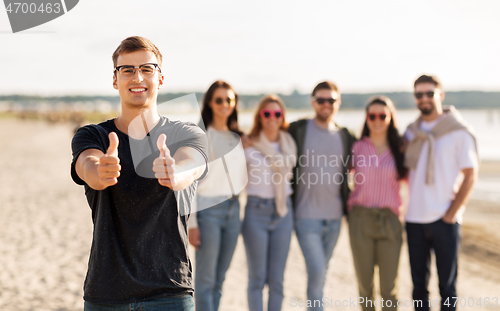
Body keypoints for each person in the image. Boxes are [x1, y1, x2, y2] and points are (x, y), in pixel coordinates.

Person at [70, 36, 208, 311]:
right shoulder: (93, 135)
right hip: (106, 294)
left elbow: (193, 166)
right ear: (115, 80)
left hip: (170, 292)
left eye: (147, 68)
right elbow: (87, 166)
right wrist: (100, 171)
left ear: (160, 78)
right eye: (128, 70)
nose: (138, 77)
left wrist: (175, 172)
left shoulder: (186, 134)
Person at [404, 75, 478, 311]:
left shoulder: (458, 131)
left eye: (429, 93)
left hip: (445, 219)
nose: (424, 99)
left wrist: (452, 213)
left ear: (440, 95)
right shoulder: (410, 132)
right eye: (419, 94)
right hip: (414, 219)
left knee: (447, 289)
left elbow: (470, 174)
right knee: (418, 288)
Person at [288, 81, 356, 310]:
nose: (326, 104)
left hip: (335, 218)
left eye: (331, 100)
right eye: (321, 100)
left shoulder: (346, 136)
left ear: (338, 103)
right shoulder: (298, 129)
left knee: (322, 274)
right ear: (313, 102)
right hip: (305, 216)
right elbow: (269, 136)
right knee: (317, 271)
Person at [188, 80, 246, 311]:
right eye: (219, 100)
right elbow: (188, 184)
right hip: (207, 210)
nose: (225, 104)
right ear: (210, 103)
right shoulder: (199, 136)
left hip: (234, 210)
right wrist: (192, 223)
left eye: (229, 100)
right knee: (205, 280)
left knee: (220, 278)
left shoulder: (237, 137)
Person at [347, 96, 407, 311]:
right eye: (372, 116)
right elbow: (335, 174)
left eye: (383, 115)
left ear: (390, 118)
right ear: (367, 118)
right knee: (365, 289)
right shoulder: (356, 147)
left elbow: (417, 179)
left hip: (390, 222)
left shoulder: (401, 149)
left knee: (389, 289)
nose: (377, 120)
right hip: (360, 220)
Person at [242, 95, 297, 311]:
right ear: (260, 116)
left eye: (277, 113)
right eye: (267, 113)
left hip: (284, 212)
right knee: (257, 279)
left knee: (277, 280)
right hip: (256, 212)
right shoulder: (249, 144)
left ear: (283, 116)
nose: (272, 118)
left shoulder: (289, 143)